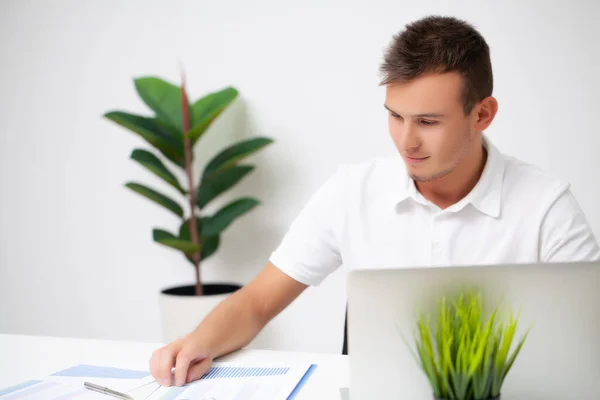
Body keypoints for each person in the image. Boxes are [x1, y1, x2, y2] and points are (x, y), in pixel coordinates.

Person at [149, 15, 600, 387]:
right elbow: (257, 302)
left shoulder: (547, 208)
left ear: (482, 114)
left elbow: (588, 345)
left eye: (427, 121)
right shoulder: (353, 192)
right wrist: (197, 342)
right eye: (395, 116)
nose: (407, 141)